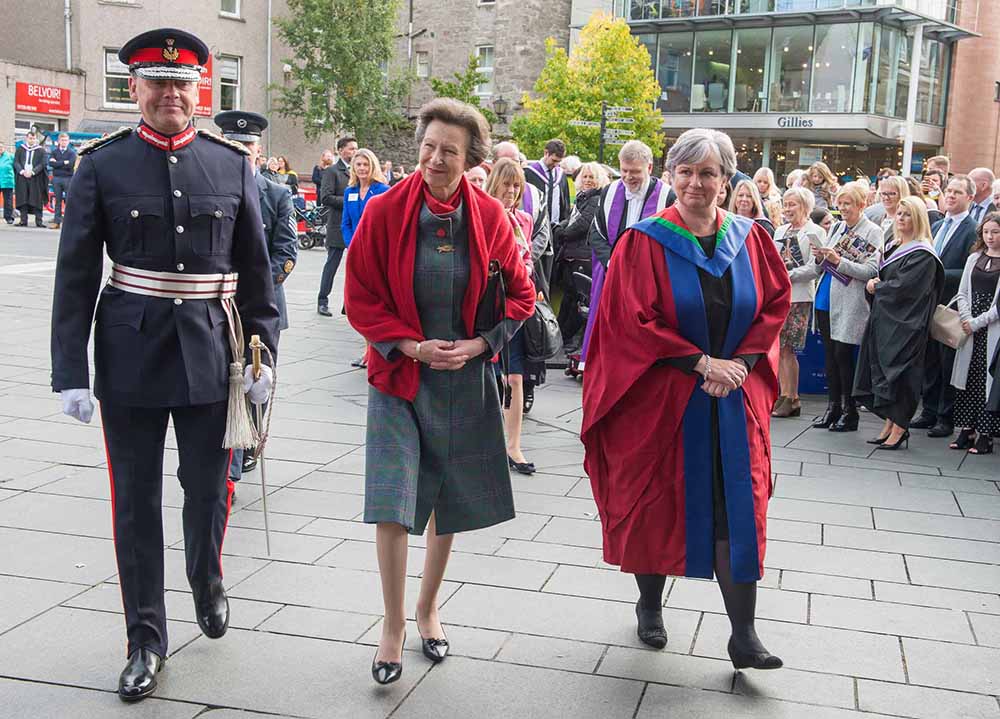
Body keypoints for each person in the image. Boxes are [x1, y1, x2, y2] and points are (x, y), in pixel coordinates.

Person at [49, 28, 279, 702]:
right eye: (158, 82)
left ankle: (206, 575)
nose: (171, 93)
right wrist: (70, 370)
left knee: (210, 486)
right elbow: (73, 275)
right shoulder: (102, 165)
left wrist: (266, 352)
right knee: (135, 504)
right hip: (129, 352)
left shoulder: (231, 163)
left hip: (213, 347)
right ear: (136, 89)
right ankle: (145, 638)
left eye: (182, 83)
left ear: (198, 90)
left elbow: (258, 275)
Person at [582, 127, 790, 669]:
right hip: (664, 402)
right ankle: (650, 606)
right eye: (686, 172)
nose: (695, 183)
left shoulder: (752, 239)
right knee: (656, 503)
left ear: (727, 179)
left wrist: (738, 365)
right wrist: (700, 363)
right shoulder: (644, 241)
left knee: (738, 507)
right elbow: (630, 318)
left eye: (708, 173)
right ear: (670, 176)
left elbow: (772, 305)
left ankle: (743, 635)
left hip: (730, 400)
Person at [344, 98, 535, 686]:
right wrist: (410, 345)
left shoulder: (492, 218)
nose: (435, 158)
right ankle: (393, 623)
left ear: (470, 158)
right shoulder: (382, 213)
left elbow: (522, 297)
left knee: (444, 505)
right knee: (393, 502)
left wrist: (480, 346)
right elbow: (360, 298)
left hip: (462, 380)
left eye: (449, 151)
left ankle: (429, 608)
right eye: (428, 147)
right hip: (400, 376)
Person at [214, 110, 298, 481]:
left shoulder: (277, 194)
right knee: (220, 381)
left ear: (259, 152)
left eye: (247, 146)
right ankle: (227, 459)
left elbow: (287, 253)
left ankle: (250, 438)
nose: (241, 152)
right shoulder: (210, 187)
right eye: (234, 145)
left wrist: (258, 286)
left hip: (261, 306)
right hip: (217, 304)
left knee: (255, 379)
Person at [855, 197, 943, 450]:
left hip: (907, 325)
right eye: (899, 213)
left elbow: (907, 289)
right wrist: (875, 284)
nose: (901, 218)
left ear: (918, 219)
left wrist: (877, 286)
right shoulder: (895, 246)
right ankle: (890, 423)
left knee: (902, 374)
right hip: (886, 320)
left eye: (907, 214)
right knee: (883, 370)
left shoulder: (922, 253)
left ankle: (901, 426)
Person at [580, 140, 670, 367]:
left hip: (648, 279)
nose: (629, 177)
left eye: (635, 172)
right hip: (613, 275)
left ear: (649, 168)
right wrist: (613, 261)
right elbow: (596, 234)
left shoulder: (667, 198)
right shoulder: (609, 192)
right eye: (624, 171)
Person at [808, 182, 883, 431]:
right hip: (827, 295)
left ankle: (850, 411)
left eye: (848, 203)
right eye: (840, 204)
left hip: (850, 299)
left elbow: (871, 270)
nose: (843, 208)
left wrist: (839, 261)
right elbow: (820, 266)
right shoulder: (838, 227)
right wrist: (820, 256)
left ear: (862, 205)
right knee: (829, 354)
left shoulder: (873, 231)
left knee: (843, 355)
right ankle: (833, 407)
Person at [913, 175, 978, 437]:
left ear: (970, 198)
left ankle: (945, 416)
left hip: (950, 305)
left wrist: (936, 273)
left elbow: (968, 270)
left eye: (957, 192)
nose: (950, 196)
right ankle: (928, 411)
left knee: (947, 362)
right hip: (928, 303)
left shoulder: (973, 229)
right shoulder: (938, 225)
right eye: (948, 191)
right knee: (929, 360)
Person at [485, 158, 538, 474]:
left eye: (517, 185)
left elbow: (529, 254)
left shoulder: (525, 219)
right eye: (507, 184)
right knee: (491, 379)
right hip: (490, 307)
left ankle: (514, 445)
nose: (511, 190)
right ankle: (489, 444)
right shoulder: (486, 216)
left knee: (516, 377)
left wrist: (528, 273)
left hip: (517, 305)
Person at [772, 186, 825, 418]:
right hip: (780, 295)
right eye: (785, 203)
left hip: (800, 296)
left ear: (804, 206)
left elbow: (816, 268)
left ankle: (793, 397)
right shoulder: (780, 230)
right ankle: (784, 394)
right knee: (780, 348)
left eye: (792, 204)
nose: (787, 208)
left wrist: (788, 275)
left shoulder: (815, 232)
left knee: (788, 348)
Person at [949, 212, 1000, 455]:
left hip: (991, 327)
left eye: (995, 232)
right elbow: (962, 292)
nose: (990, 237)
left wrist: (978, 322)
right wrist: (966, 318)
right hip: (969, 325)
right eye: (987, 232)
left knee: (986, 380)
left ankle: (985, 433)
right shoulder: (974, 258)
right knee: (967, 377)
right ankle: (966, 429)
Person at [342, 148, 391, 369]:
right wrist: (353, 246)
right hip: (356, 255)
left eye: (365, 164)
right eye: (358, 164)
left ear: (373, 166)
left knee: (375, 303)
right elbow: (346, 223)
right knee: (359, 304)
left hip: (377, 254)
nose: (362, 168)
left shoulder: (383, 190)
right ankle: (367, 350)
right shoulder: (350, 191)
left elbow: (386, 223)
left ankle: (374, 351)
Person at [555, 161, 610, 349]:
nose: (587, 180)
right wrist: (560, 227)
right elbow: (572, 219)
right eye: (585, 176)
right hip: (573, 254)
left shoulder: (596, 199)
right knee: (570, 298)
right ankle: (563, 337)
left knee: (579, 300)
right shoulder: (583, 197)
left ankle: (570, 339)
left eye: (591, 177)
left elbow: (583, 224)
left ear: (599, 179)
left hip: (583, 255)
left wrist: (562, 233)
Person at [317, 136, 357, 317]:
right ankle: (322, 301)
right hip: (337, 226)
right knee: (332, 265)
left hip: (356, 226)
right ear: (341, 150)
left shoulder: (359, 170)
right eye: (351, 149)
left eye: (356, 148)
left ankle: (348, 304)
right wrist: (351, 200)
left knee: (355, 268)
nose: (355, 152)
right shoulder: (332, 171)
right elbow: (325, 198)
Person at [524, 138, 571, 228]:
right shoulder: (529, 173)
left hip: (557, 228)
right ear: (546, 153)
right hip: (536, 227)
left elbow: (566, 203)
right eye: (554, 160)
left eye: (559, 161)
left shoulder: (561, 175)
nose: (556, 165)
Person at [13, 130, 48, 227]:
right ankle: (23, 221)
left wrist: (33, 172)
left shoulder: (41, 150)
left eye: (33, 138)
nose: (31, 140)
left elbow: (43, 163)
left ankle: (39, 221)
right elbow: (16, 162)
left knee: (37, 199)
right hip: (22, 177)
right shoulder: (20, 149)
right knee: (23, 199)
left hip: (36, 178)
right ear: (26, 138)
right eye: (30, 138)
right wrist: (22, 171)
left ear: (36, 139)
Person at [48, 132, 77, 229]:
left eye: (66, 140)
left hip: (68, 178)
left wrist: (58, 163)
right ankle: (57, 221)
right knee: (58, 201)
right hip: (56, 179)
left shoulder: (72, 153)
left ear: (68, 142)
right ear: (58, 141)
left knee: (69, 200)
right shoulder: (54, 152)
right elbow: (51, 164)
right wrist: (64, 162)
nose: (64, 142)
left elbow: (70, 165)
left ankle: (70, 222)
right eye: (62, 140)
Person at [877, 176, 909, 245]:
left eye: (891, 194)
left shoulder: (907, 222)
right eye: (884, 193)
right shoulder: (876, 219)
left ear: (902, 194)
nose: (886, 197)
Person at [0, 140, 14, 224]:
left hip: (7, 181)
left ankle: (8, 217)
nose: (0, 149)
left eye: (1, 147)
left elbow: (16, 167)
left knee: (8, 201)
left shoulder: (10, 157)